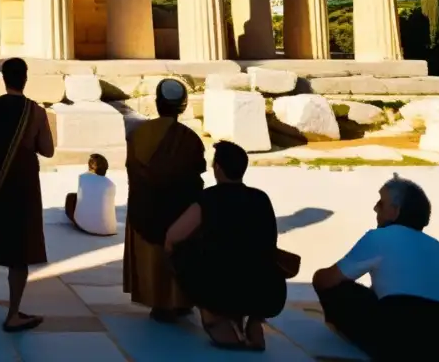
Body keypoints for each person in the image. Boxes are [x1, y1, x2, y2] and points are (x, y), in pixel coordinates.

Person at [312, 175, 439, 360]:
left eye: (381, 204)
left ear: (395, 211)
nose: (375, 208)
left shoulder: (379, 237)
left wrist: (319, 277)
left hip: (400, 335)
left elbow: (327, 280)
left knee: (336, 285)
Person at [165, 141, 286, 350]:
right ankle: (252, 318)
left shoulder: (209, 198)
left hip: (221, 287)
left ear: (218, 168)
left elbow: (173, 236)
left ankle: (213, 314)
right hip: (266, 289)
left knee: (181, 252)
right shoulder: (260, 198)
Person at [0, 57, 55, 333]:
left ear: (4, 78)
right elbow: (48, 150)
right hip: (24, 184)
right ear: (25, 79)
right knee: (20, 247)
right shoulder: (36, 111)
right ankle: (14, 313)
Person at [123, 78, 205, 322]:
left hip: (144, 207)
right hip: (178, 209)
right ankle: (179, 300)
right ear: (183, 106)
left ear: (157, 103)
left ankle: (158, 301)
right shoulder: (190, 138)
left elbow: (132, 169)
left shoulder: (137, 134)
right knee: (177, 250)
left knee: (153, 255)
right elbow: (196, 175)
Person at [64, 153, 117, 236]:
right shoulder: (111, 185)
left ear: (90, 167)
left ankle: (83, 222)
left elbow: (81, 197)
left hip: (85, 227)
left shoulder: (83, 177)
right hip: (109, 230)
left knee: (71, 197)